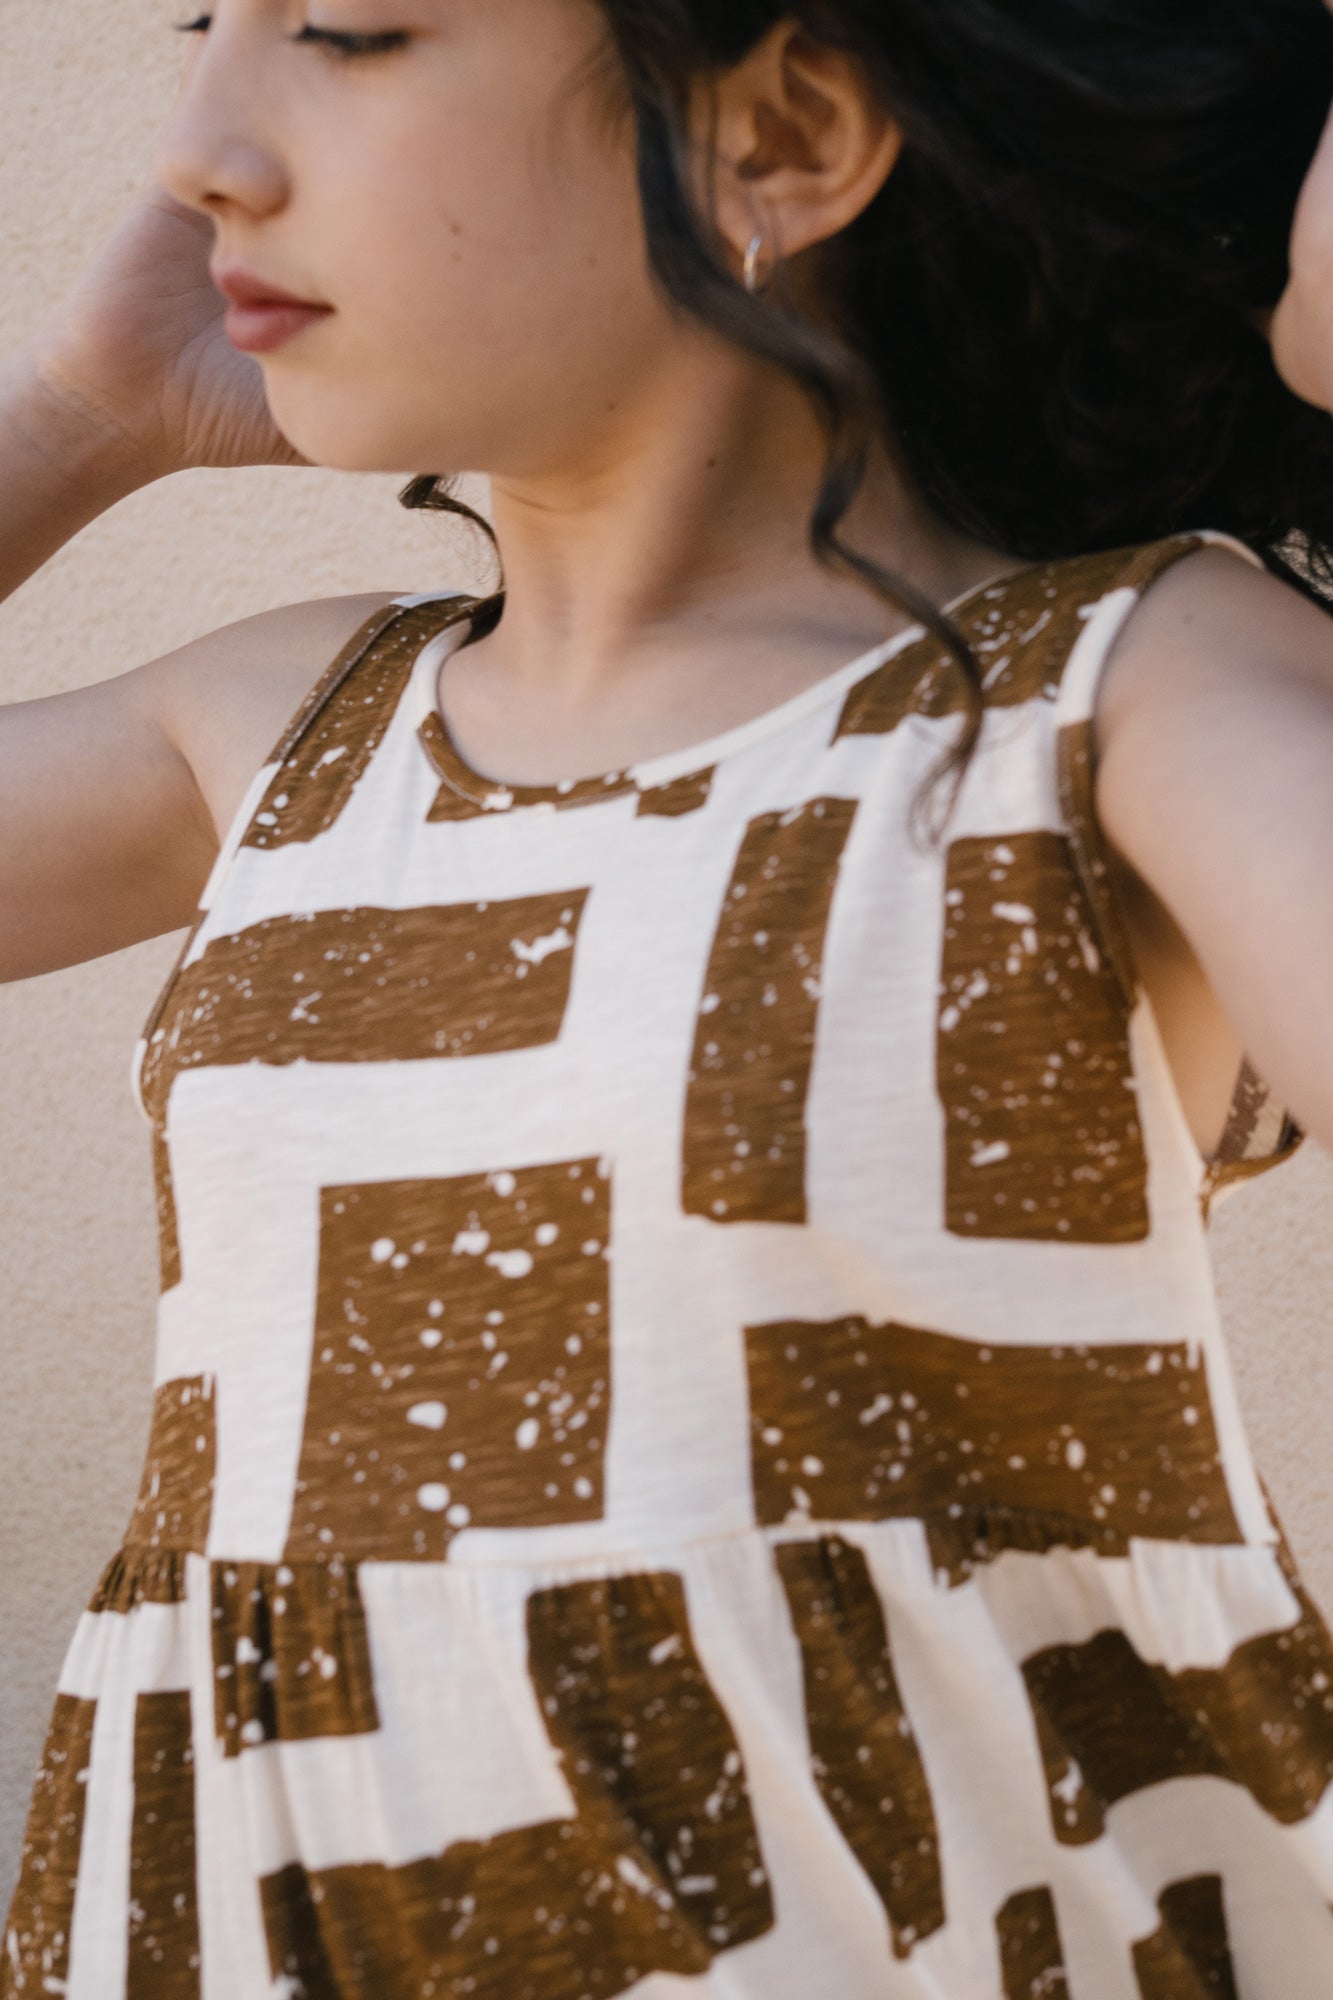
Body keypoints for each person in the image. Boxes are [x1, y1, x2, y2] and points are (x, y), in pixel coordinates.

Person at [4, 2, 1333, 1994]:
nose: (198, 150)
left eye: (350, 31)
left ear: (779, 135)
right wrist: (77, 412)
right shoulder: (280, 730)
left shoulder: (1118, 690)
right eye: (210, 25)